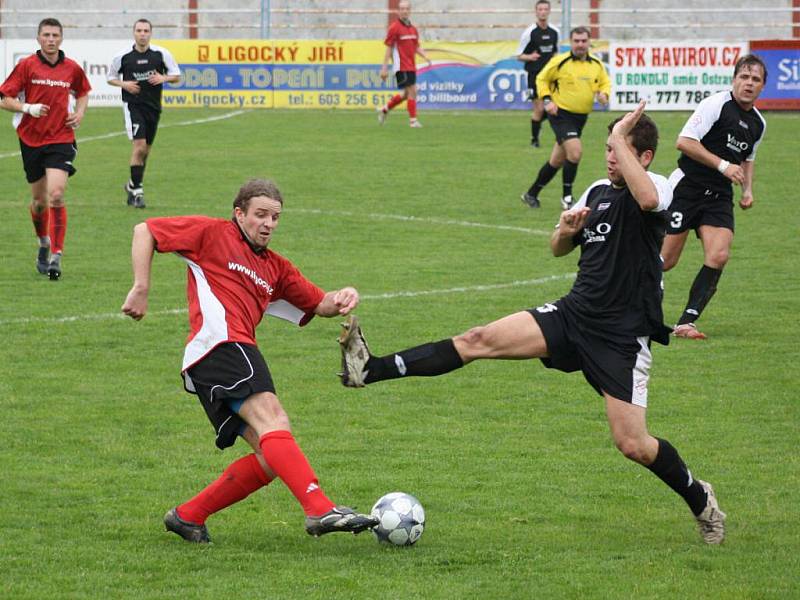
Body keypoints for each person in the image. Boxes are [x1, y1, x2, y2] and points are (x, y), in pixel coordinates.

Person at [339, 102, 727, 545]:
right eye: (606, 148)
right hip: (572, 315)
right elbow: (558, 248)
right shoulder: (597, 192)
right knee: (477, 339)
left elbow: (647, 201)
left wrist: (622, 133)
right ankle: (370, 369)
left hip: (620, 338)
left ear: (644, 157)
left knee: (633, 444)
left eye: (618, 149)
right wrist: (565, 229)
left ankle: (701, 499)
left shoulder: (656, 187)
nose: (609, 156)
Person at [121, 178, 378, 543]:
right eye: (260, 215)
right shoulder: (212, 233)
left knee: (272, 454)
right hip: (221, 343)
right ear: (239, 213)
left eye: (275, 217)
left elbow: (320, 303)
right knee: (274, 418)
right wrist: (141, 286)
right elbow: (145, 229)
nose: (268, 224)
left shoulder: (276, 267)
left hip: (219, 356)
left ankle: (188, 516)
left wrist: (343, 296)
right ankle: (319, 508)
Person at [661, 54, 767, 340]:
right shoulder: (716, 105)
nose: (749, 83)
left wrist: (747, 190)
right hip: (687, 187)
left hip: (719, 195)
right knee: (665, 261)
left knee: (719, 255)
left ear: (762, 87)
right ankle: (623, 301)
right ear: (734, 79)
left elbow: (748, 158)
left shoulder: (759, 123)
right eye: (744, 77)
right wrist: (722, 165)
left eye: (755, 79)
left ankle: (686, 322)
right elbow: (683, 142)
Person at [0, 18, 91, 280]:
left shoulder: (71, 68)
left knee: (57, 194)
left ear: (61, 38)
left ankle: (56, 256)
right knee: (39, 203)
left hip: (61, 138)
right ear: (38, 38)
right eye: (46, 35)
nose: (51, 39)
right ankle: (43, 242)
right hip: (30, 140)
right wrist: (28, 108)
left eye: (55, 35)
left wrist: (80, 112)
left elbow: (83, 91)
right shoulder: (26, 65)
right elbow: (5, 99)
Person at [521, 26, 610, 210]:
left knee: (557, 160)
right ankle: (567, 198)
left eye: (583, 41)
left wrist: (604, 94)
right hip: (560, 114)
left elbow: (604, 83)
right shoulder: (560, 62)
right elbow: (541, 79)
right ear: (570, 42)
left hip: (580, 118)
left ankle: (531, 194)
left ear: (589, 42)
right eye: (576, 41)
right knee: (575, 152)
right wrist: (547, 100)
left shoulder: (596, 64)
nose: (580, 45)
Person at [108, 18, 181, 209]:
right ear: (134, 33)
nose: (142, 34)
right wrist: (124, 84)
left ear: (150, 33)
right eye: (139, 30)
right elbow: (111, 78)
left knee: (145, 152)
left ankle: (131, 185)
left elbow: (176, 75)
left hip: (153, 108)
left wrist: (163, 77)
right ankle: (138, 192)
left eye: (146, 30)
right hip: (133, 107)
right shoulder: (123, 56)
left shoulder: (161, 54)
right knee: (139, 147)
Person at [377, 0, 432, 128]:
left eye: (407, 8)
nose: (404, 11)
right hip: (401, 66)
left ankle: (384, 109)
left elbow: (416, 46)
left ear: (410, 10)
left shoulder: (413, 29)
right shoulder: (394, 28)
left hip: (411, 66)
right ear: (398, 11)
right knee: (413, 90)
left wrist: (425, 56)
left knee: (406, 95)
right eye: (402, 9)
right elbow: (389, 48)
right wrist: (384, 68)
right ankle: (413, 121)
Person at [516, 0, 559, 147]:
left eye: (545, 9)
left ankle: (537, 124)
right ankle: (534, 140)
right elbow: (519, 55)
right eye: (540, 9)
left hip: (550, 77)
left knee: (554, 107)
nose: (543, 12)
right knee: (539, 109)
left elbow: (555, 52)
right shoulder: (529, 33)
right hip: (534, 76)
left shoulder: (554, 32)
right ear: (536, 11)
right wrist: (530, 57)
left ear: (549, 11)